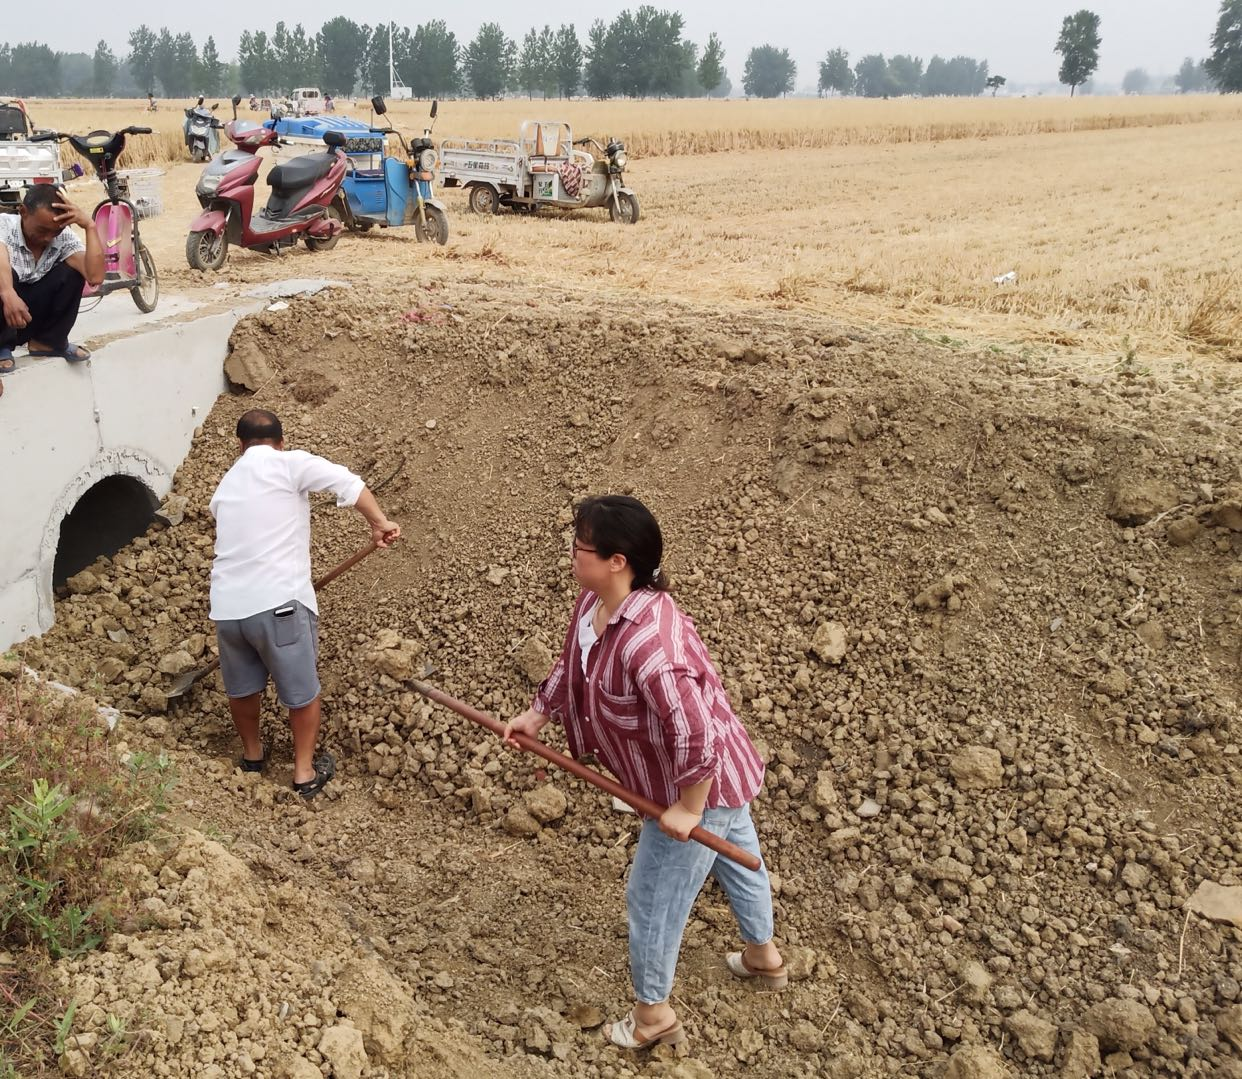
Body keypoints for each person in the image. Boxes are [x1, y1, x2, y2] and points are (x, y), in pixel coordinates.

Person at [503, 495, 785, 1051]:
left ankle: (653, 1016)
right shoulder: (595, 604)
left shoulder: (650, 644)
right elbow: (573, 664)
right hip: (712, 775)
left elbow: (696, 735)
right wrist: (538, 714)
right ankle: (764, 957)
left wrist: (689, 808)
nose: (571, 554)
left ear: (618, 561)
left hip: (699, 783)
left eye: (580, 547)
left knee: (652, 898)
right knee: (737, 859)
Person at [208, 409, 401, 798]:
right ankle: (304, 774)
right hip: (280, 604)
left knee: (242, 690)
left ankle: (252, 758)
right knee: (302, 692)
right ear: (280, 442)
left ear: (240, 446)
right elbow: (350, 484)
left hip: (227, 611)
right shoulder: (289, 463)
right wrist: (380, 523)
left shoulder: (225, 486)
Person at [0, 184, 104, 374]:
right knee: (5, 276)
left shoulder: (63, 237)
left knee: (72, 274)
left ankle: (47, 342)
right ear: (23, 212)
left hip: (26, 319)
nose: (48, 238)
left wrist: (90, 226)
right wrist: (7, 293)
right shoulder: (4, 224)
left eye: (55, 232)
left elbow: (95, 276)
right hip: (4, 316)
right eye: (42, 230)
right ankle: (1, 347)